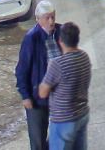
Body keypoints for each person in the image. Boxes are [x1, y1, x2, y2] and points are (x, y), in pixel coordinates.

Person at [37, 21, 91, 150]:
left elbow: (42, 93)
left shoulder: (57, 64)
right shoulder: (84, 56)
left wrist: (47, 73)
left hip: (64, 120)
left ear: (60, 41)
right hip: (82, 114)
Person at [16, 0, 62, 150]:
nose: (51, 21)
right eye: (47, 18)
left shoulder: (61, 32)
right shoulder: (31, 39)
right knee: (38, 141)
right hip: (38, 98)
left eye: (53, 17)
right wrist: (25, 96)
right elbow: (22, 70)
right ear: (38, 19)